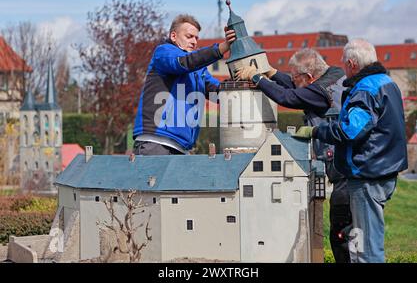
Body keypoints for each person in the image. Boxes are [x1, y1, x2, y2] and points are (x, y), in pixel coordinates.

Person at [294, 39, 408, 262]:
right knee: (361, 241)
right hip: (386, 171)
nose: (344, 69)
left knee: (367, 250)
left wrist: (316, 131)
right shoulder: (387, 82)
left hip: (367, 175)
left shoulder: (364, 90)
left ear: (352, 63)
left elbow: (351, 130)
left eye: (345, 64)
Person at [236, 48, 352, 263]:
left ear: (309, 76)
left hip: (343, 169)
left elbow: (288, 96)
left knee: (341, 233)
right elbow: (299, 89)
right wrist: (272, 73)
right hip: (348, 164)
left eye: (294, 77)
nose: (292, 80)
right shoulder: (334, 75)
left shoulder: (319, 92)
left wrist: (256, 78)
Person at [132, 14, 235, 155]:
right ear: (173, 36)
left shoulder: (200, 70)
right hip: (155, 141)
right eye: (189, 36)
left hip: (181, 147)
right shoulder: (163, 52)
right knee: (150, 178)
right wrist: (221, 48)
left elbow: (219, 94)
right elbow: (184, 63)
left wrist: (239, 79)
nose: (194, 42)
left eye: (196, 38)